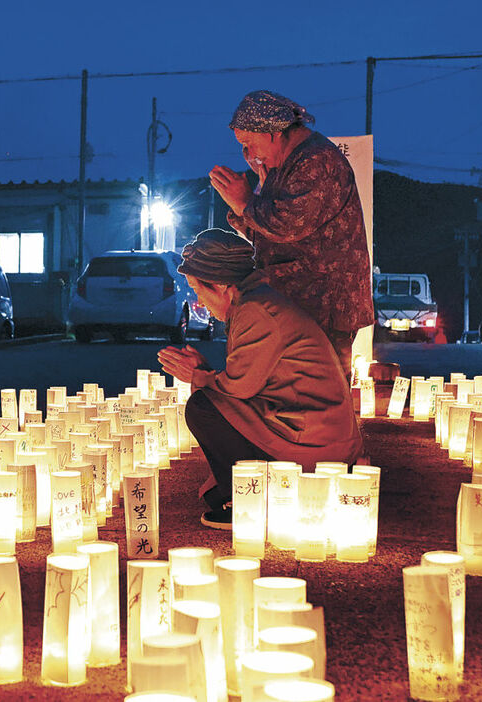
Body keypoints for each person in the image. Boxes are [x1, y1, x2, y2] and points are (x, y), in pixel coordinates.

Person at [157, 229, 363, 529]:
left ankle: (251, 502)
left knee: (203, 408)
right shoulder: (255, 302)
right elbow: (244, 380)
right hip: (312, 430)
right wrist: (204, 373)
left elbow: (237, 389)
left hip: (313, 440)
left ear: (220, 285)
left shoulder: (255, 311)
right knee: (213, 494)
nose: (199, 302)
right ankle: (244, 493)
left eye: (198, 290)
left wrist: (198, 376)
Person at [209, 90, 373, 380]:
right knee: (295, 395)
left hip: (324, 306)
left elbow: (287, 225)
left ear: (272, 132)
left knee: (320, 396)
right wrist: (255, 192)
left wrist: (245, 202)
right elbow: (267, 235)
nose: (248, 153)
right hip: (301, 303)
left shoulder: (316, 161)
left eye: (249, 143)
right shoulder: (284, 166)